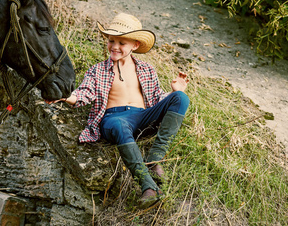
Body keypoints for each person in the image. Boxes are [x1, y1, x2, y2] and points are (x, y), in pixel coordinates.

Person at [46, 13, 190, 209]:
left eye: (122, 42)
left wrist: (176, 92)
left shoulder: (147, 70)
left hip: (142, 117)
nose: (115, 46)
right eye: (111, 40)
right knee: (119, 125)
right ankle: (147, 185)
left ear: (135, 45)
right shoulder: (98, 71)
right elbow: (84, 94)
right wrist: (65, 96)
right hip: (114, 119)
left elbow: (156, 99)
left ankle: (154, 158)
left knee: (181, 98)